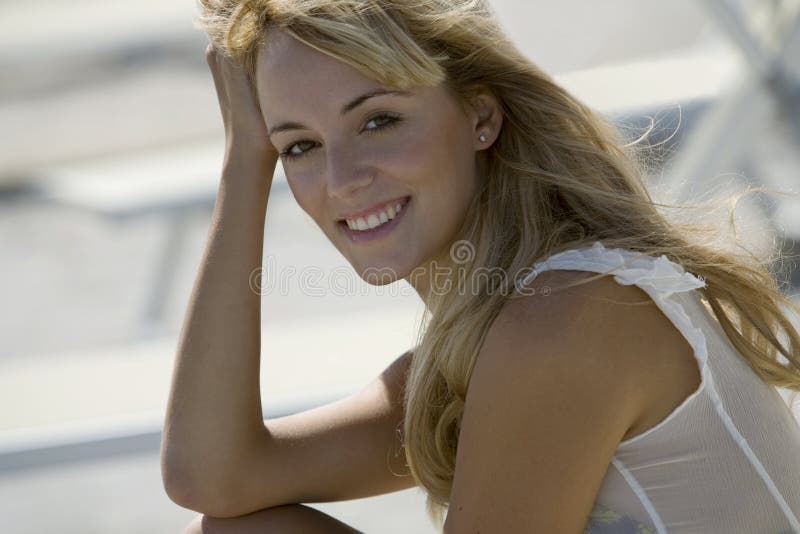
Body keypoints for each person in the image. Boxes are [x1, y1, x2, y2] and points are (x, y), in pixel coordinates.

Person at [160, 1, 800, 532]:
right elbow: (214, 476)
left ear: (481, 116)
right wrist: (246, 158)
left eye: (379, 121)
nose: (342, 181)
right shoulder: (499, 335)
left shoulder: (569, 319)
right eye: (300, 146)